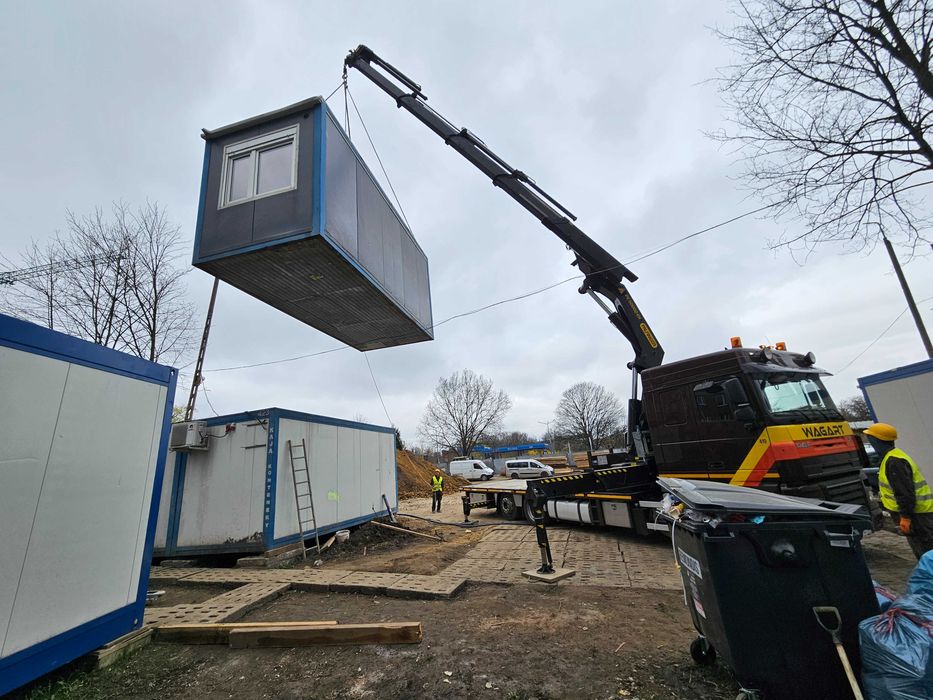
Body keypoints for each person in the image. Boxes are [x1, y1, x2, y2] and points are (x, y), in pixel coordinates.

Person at [864, 422, 933, 560]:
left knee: (926, 553)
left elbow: (904, 493)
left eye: (870, 437)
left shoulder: (894, 461)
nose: (869, 440)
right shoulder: (894, 456)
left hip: (917, 516)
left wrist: (905, 517)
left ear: (877, 440)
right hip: (919, 514)